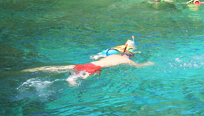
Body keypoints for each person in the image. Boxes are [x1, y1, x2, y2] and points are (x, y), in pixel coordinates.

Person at [22, 52, 154, 86]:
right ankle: (71, 79)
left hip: (89, 63)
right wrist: (147, 63)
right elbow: (137, 66)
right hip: (96, 67)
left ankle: (35, 69)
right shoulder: (128, 61)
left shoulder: (114, 55)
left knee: (62, 68)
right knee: (80, 77)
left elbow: (102, 55)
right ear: (130, 57)